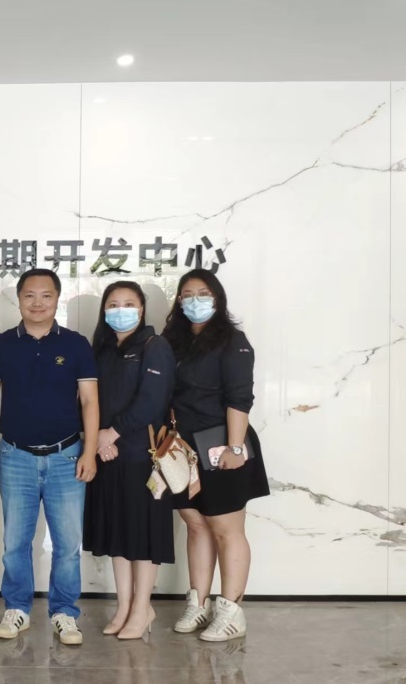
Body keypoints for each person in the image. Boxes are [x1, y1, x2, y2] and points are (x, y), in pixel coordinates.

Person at [0, 268, 100, 647]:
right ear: (18, 300)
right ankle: (17, 608)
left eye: (46, 295)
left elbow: (90, 400)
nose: (37, 303)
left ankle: (64, 612)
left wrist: (89, 452)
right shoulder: (0, 345)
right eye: (29, 295)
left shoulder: (76, 345)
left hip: (67, 456)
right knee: (15, 541)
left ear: (57, 299)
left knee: (67, 544)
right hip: (15, 456)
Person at [163, 268, 268, 642]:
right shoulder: (172, 341)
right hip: (181, 447)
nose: (195, 301)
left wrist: (235, 447)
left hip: (221, 443)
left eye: (203, 294)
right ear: (179, 300)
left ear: (218, 298)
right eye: (188, 294)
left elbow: (240, 397)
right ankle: (199, 603)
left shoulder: (232, 341)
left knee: (226, 528)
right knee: (196, 524)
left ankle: (231, 611)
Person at [82, 281, 176, 641]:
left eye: (128, 303)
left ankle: (142, 608)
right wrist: (98, 439)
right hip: (107, 455)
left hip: (143, 457)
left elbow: (152, 401)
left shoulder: (155, 346)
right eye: (113, 304)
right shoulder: (102, 348)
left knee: (142, 535)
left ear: (142, 309)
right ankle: (123, 606)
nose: (120, 310)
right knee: (118, 534)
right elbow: (88, 399)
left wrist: (113, 433)